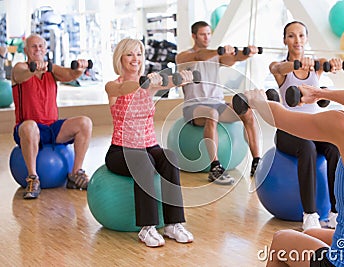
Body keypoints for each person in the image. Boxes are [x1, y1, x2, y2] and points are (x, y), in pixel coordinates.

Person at [245, 36, 344, 266]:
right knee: (311, 235)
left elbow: (279, 117)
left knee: (281, 241)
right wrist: (320, 93)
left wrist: (256, 101)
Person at [104, 38, 194, 248]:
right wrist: (144, 81)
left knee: (169, 157)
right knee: (142, 161)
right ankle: (147, 228)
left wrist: (182, 78)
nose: (135, 59)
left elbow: (169, 81)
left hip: (148, 146)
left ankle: (173, 223)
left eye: (139, 54)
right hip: (121, 150)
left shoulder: (149, 86)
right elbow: (125, 88)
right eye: (130, 54)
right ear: (120, 58)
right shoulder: (113, 86)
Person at [268, 21, 343, 230]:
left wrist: (334, 63)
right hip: (288, 131)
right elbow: (281, 67)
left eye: (301, 35)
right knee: (308, 148)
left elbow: (328, 63)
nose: (297, 40)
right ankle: (310, 215)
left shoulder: (316, 65)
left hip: (312, 128)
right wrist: (298, 64)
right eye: (291, 36)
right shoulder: (279, 68)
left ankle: (336, 213)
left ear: (306, 39)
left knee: (335, 148)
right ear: (285, 40)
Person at [175, 20, 261, 186]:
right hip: (194, 108)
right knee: (211, 113)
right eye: (202, 34)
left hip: (217, 103)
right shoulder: (183, 57)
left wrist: (246, 53)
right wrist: (219, 51)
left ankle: (256, 162)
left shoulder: (216, 56)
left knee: (247, 111)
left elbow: (233, 59)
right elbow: (199, 55)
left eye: (209, 33)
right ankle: (215, 168)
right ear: (194, 36)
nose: (207, 37)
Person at [11, 34, 92, 199]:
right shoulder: (19, 68)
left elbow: (69, 75)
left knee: (85, 123)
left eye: (41, 46)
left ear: (46, 49)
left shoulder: (51, 70)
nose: (38, 49)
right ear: (26, 50)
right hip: (28, 130)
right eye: (34, 46)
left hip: (52, 128)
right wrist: (34, 69)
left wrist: (79, 69)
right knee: (29, 126)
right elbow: (22, 75)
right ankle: (33, 178)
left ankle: (75, 174)